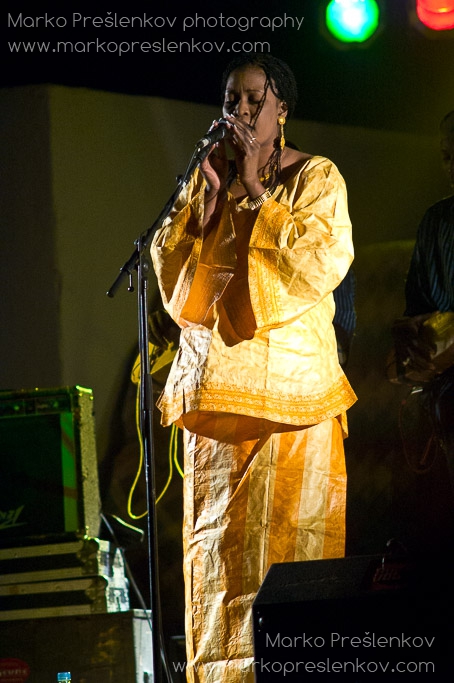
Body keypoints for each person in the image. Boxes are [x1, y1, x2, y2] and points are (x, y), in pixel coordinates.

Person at [150, 53, 357, 682]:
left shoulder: (316, 176)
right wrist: (212, 202)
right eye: (230, 99)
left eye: (253, 99)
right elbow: (176, 289)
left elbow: (318, 261)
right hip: (218, 405)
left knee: (291, 559)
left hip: (294, 406)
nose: (239, 110)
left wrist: (257, 189)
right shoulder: (207, 180)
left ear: (281, 111)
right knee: (221, 562)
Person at [393, 110, 454, 494]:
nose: (452, 166)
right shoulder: (436, 221)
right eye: (447, 156)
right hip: (444, 392)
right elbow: (415, 307)